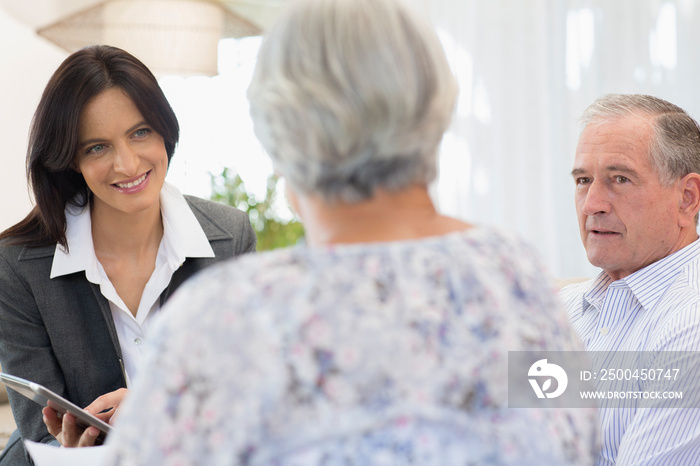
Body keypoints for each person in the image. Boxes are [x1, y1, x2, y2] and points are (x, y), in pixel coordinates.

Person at [81, 0, 598, 464]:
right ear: (434, 100)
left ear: (278, 125)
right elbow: (576, 442)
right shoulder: (517, 276)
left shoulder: (222, 319)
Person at [0, 45, 256, 464]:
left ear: (164, 130)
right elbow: (35, 431)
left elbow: (248, 389)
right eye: (97, 147)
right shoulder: (17, 264)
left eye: (140, 132)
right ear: (71, 161)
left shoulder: (229, 238)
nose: (128, 163)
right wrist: (75, 450)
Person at [561, 94, 700, 464]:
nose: (593, 204)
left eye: (619, 179)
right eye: (583, 180)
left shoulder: (690, 325)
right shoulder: (564, 309)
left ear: (687, 199)